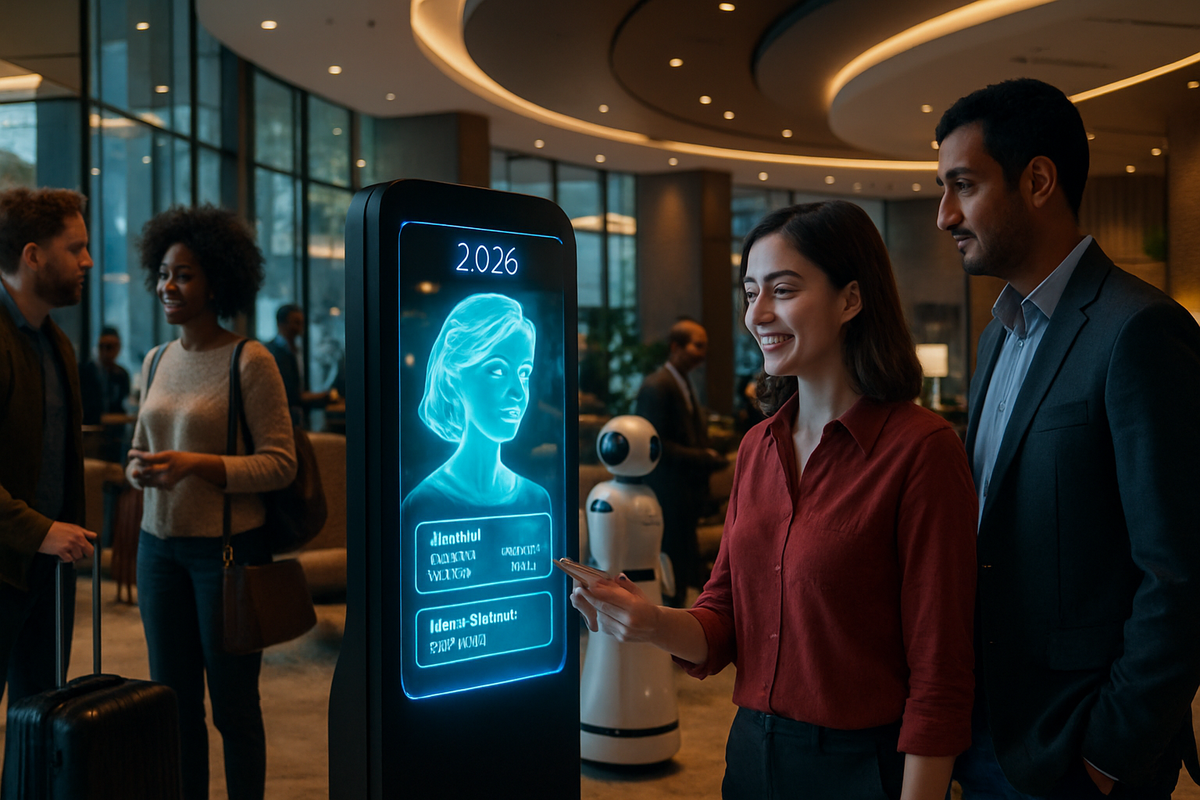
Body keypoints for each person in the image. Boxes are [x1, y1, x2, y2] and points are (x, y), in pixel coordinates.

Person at [574, 200, 978, 800]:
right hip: (752, 755)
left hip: (863, 768)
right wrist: (648, 620)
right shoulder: (760, 447)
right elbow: (724, 620)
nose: (757, 314)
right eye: (749, 292)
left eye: (782, 290)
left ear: (851, 299)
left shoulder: (921, 450)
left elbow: (940, 673)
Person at [935, 78, 1200, 800]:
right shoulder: (997, 334)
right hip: (986, 731)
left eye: (962, 184)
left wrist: (1109, 753)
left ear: (1039, 180)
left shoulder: (1139, 331)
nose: (944, 215)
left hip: (1077, 750)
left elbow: (1181, 574)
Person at [126, 205, 296, 800]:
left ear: (217, 281)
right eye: (164, 274)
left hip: (224, 556)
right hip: (157, 551)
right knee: (172, 706)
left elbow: (281, 463)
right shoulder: (155, 360)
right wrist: (138, 469)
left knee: (233, 708)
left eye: (185, 274)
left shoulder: (249, 360)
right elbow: (138, 448)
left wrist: (197, 466)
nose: (168, 286)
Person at [0, 187, 97, 713]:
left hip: (48, 573)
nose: (87, 260)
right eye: (74, 247)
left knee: (38, 732)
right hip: (8, 562)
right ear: (32, 256)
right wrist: (41, 530)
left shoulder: (55, 340)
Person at [402, 292, 551, 518]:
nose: (518, 393)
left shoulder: (537, 500)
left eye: (524, 373)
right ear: (454, 375)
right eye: (498, 370)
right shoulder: (423, 504)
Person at [635, 318, 726, 606]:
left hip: (686, 495)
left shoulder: (683, 381)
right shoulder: (656, 386)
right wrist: (703, 458)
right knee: (672, 564)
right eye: (697, 346)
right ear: (676, 347)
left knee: (684, 563)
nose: (703, 353)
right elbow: (656, 444)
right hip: (668, 493)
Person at [265, 303, 329, 428]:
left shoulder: (298, 350)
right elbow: (288, 394)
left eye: (301, 322)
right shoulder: (272, 352)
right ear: (281, 324)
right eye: (295, 322)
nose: (300, 327)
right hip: (281, 419)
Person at [79, 325, 132, 463]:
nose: (104, 351)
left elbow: (121, 402)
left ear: (118, 348)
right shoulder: (85, 372)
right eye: (101, 346)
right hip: (91, 430)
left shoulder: (121, 375)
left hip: (114, 432)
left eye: (109, 347)